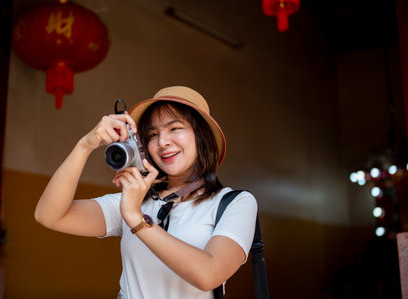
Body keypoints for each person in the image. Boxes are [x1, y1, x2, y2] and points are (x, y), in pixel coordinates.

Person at [34, 86, 258, 299]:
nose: (162, 142)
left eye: (174, 129)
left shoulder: (234, 203)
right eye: (152, 134)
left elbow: (208, 274)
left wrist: (136, 219)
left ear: (202, 136)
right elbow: (50, 215)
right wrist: (85, 145)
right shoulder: (135, 199)